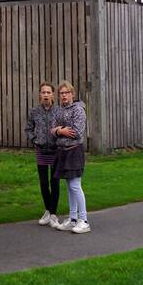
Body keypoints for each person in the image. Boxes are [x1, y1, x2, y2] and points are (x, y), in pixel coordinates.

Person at [51, 80, 90, 234]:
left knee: (75, 185)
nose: (64, 96)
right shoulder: (58, 110)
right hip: (62, 152)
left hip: (75, 151)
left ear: (72, 94)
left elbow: (77, 133)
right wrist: (60, 131)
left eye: (66, 93)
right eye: (61, 93)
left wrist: (59, 132)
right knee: (69, 186)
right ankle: (72, 219)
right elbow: (52, 131)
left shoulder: (78, 110)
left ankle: (84, 220)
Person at [24, 81, 61, 228]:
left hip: (55, 151)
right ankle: (47, 211)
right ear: (40, 94)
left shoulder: (59, 111)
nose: (45, 95)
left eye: (48, 92)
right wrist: (35, 140)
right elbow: (28, 129)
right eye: (43, 92)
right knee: (44, 183)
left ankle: (53, 214)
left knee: (54, 182)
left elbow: (64, 127)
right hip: (41, 151)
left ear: (53, 94)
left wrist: (59, 140)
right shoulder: (34, 112)